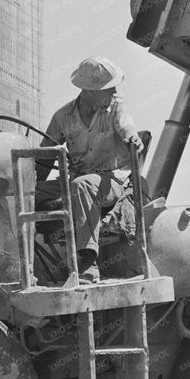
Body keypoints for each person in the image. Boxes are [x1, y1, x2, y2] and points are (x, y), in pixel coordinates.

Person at [36, 56, 145, 282]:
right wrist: (32, 185)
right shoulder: (63, 117)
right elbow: (44, 157)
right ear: (90, 91)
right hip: (77, 180)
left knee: (82, 185)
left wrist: (132, 138)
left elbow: (127, 128)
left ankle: (88, 263)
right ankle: (26, 261)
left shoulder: (116, 107)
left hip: (112, 181)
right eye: (109, 88)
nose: (114, 91)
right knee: (27, 193)